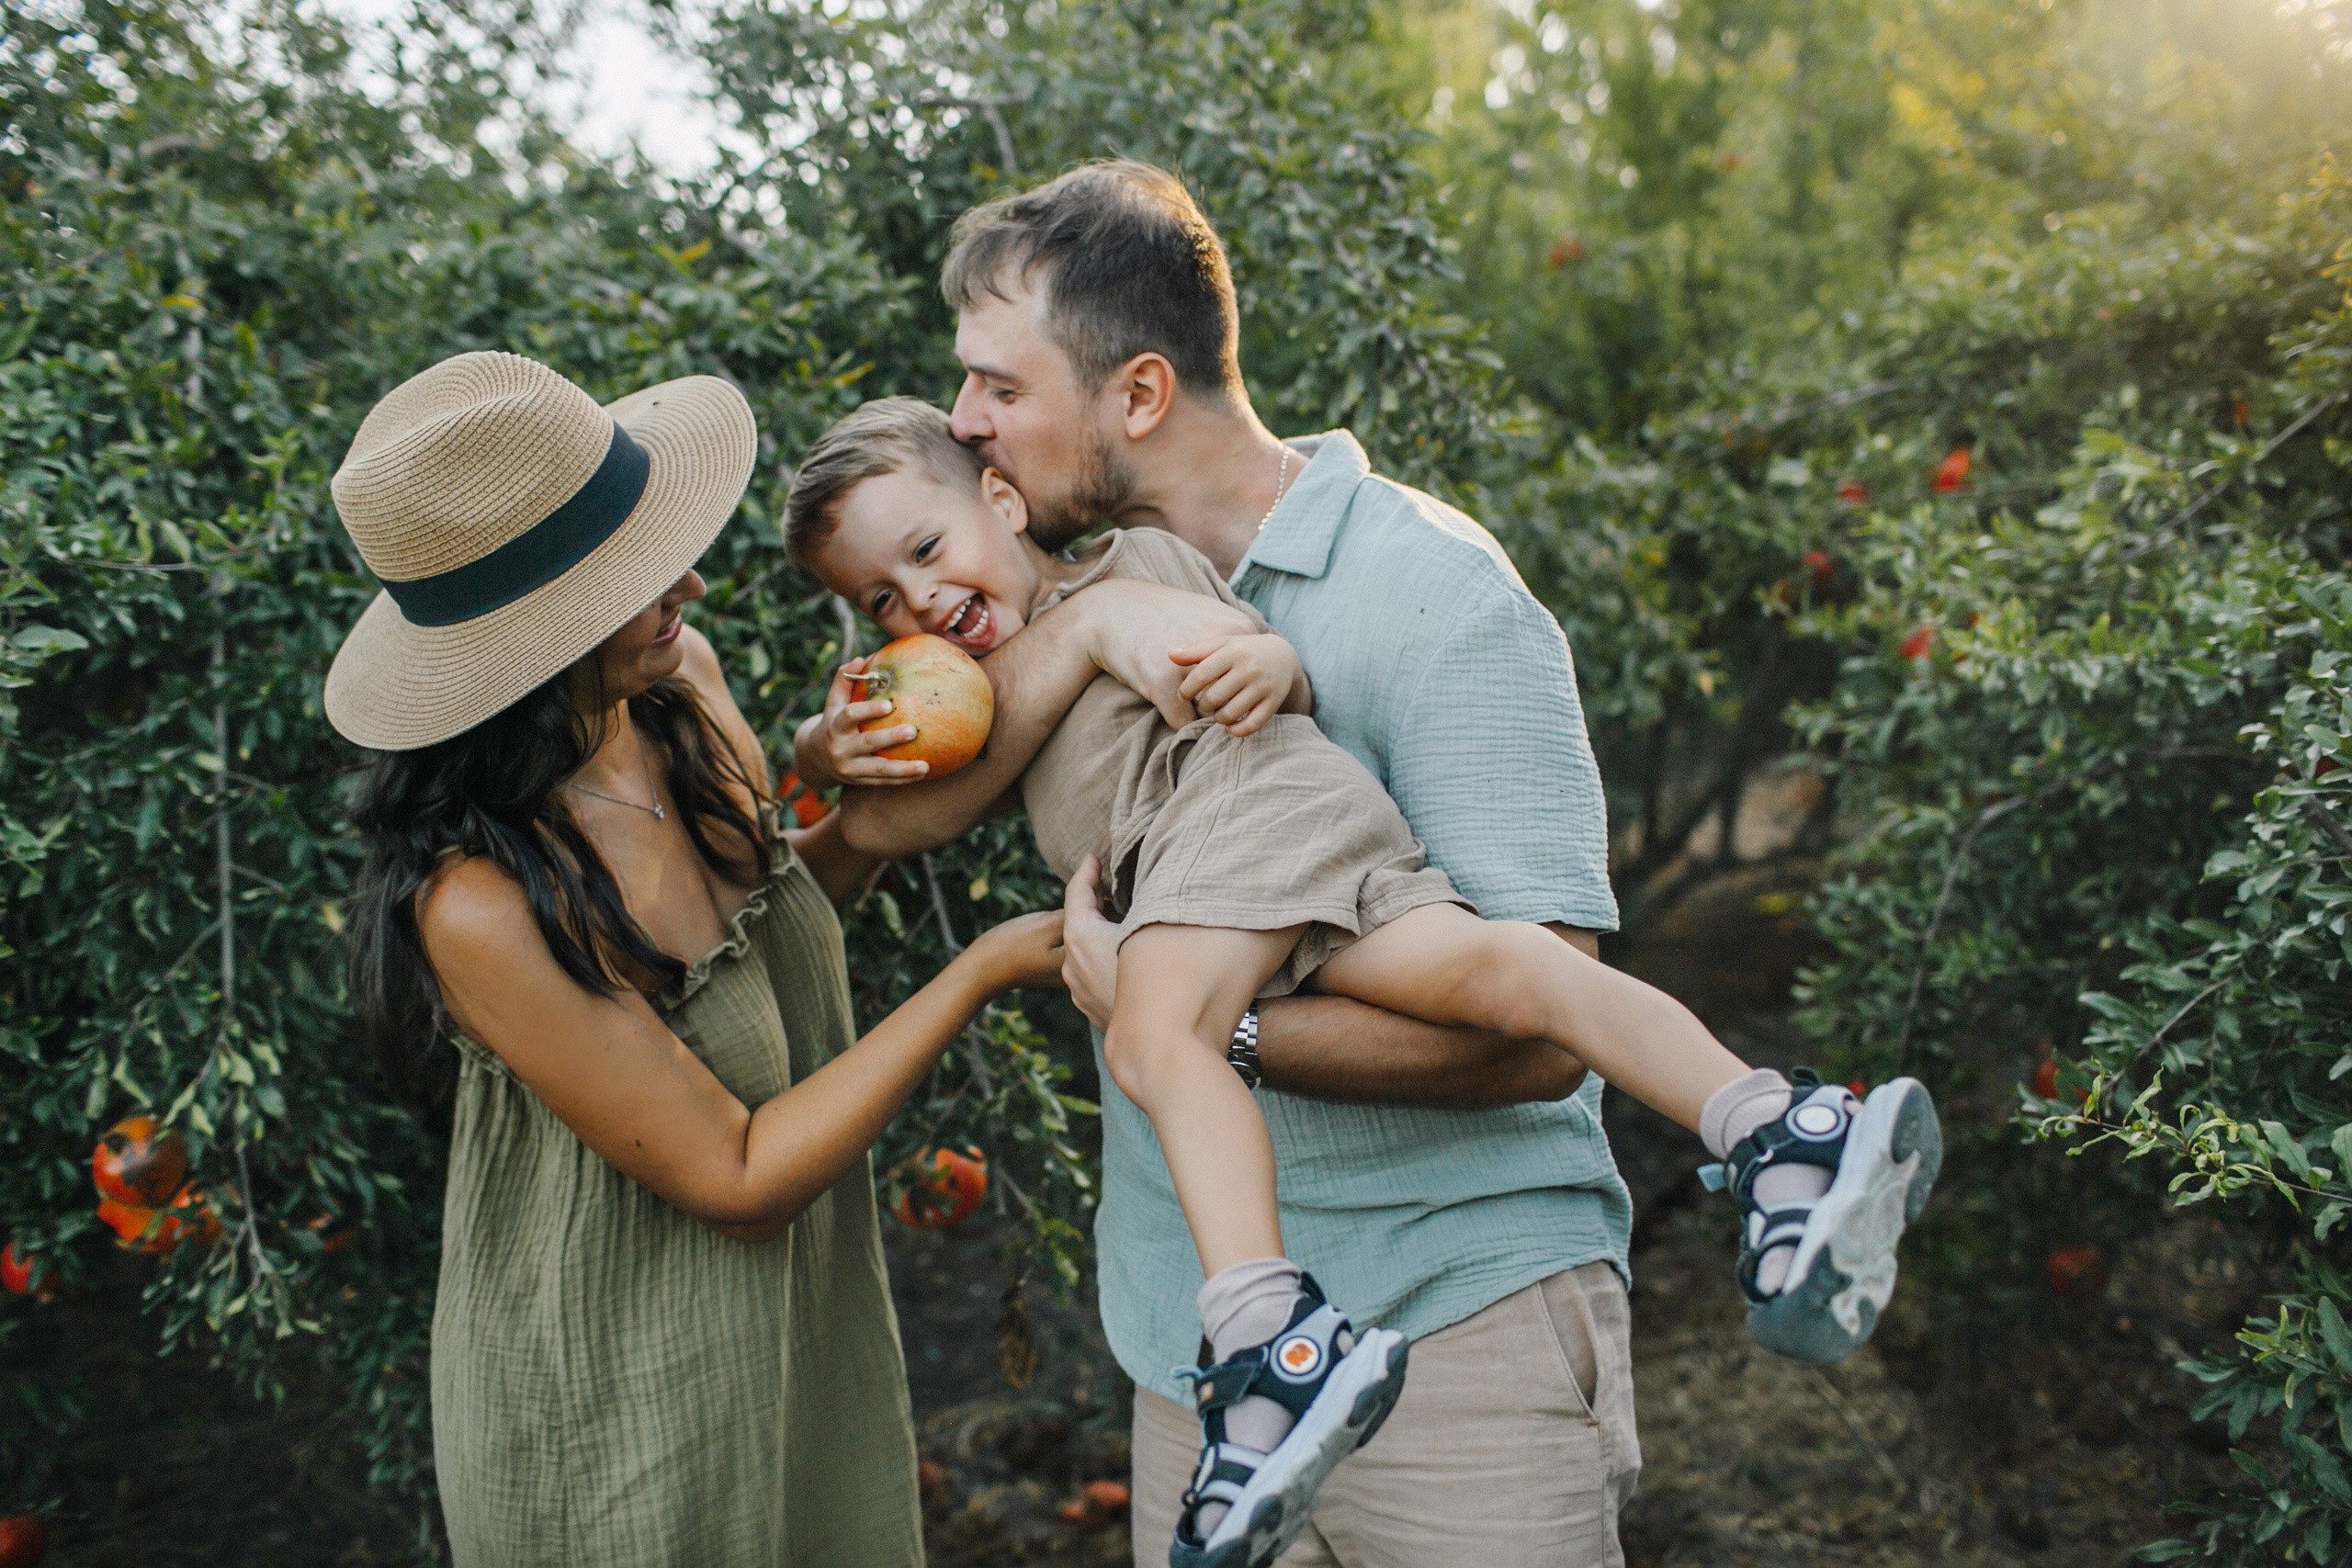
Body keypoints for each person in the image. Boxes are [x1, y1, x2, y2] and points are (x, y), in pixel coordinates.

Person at [786, 164, 1940, 1568]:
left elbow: (1528, 1055)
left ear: (1135, 396)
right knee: (1489, 964)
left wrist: (1200, 1022)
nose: (968, 420)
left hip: (1461, 1333)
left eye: (997, 390)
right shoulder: (1041, 600)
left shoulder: (1434, 597)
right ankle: (1779, 1128)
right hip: (1178, 1360)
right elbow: (912, 796)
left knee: (1184, 1025)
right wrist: (829, 747)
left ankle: (1273, 1334)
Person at [325, 350, 1066, 1567]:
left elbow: (769, 936)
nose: (691, 579)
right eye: (632, 575)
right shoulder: (476, 902)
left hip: (794, 1333)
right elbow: (733, 1176)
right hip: (618, 1391)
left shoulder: (676, 691)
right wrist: (980, 970)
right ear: (531, 634)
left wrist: (853, 803)